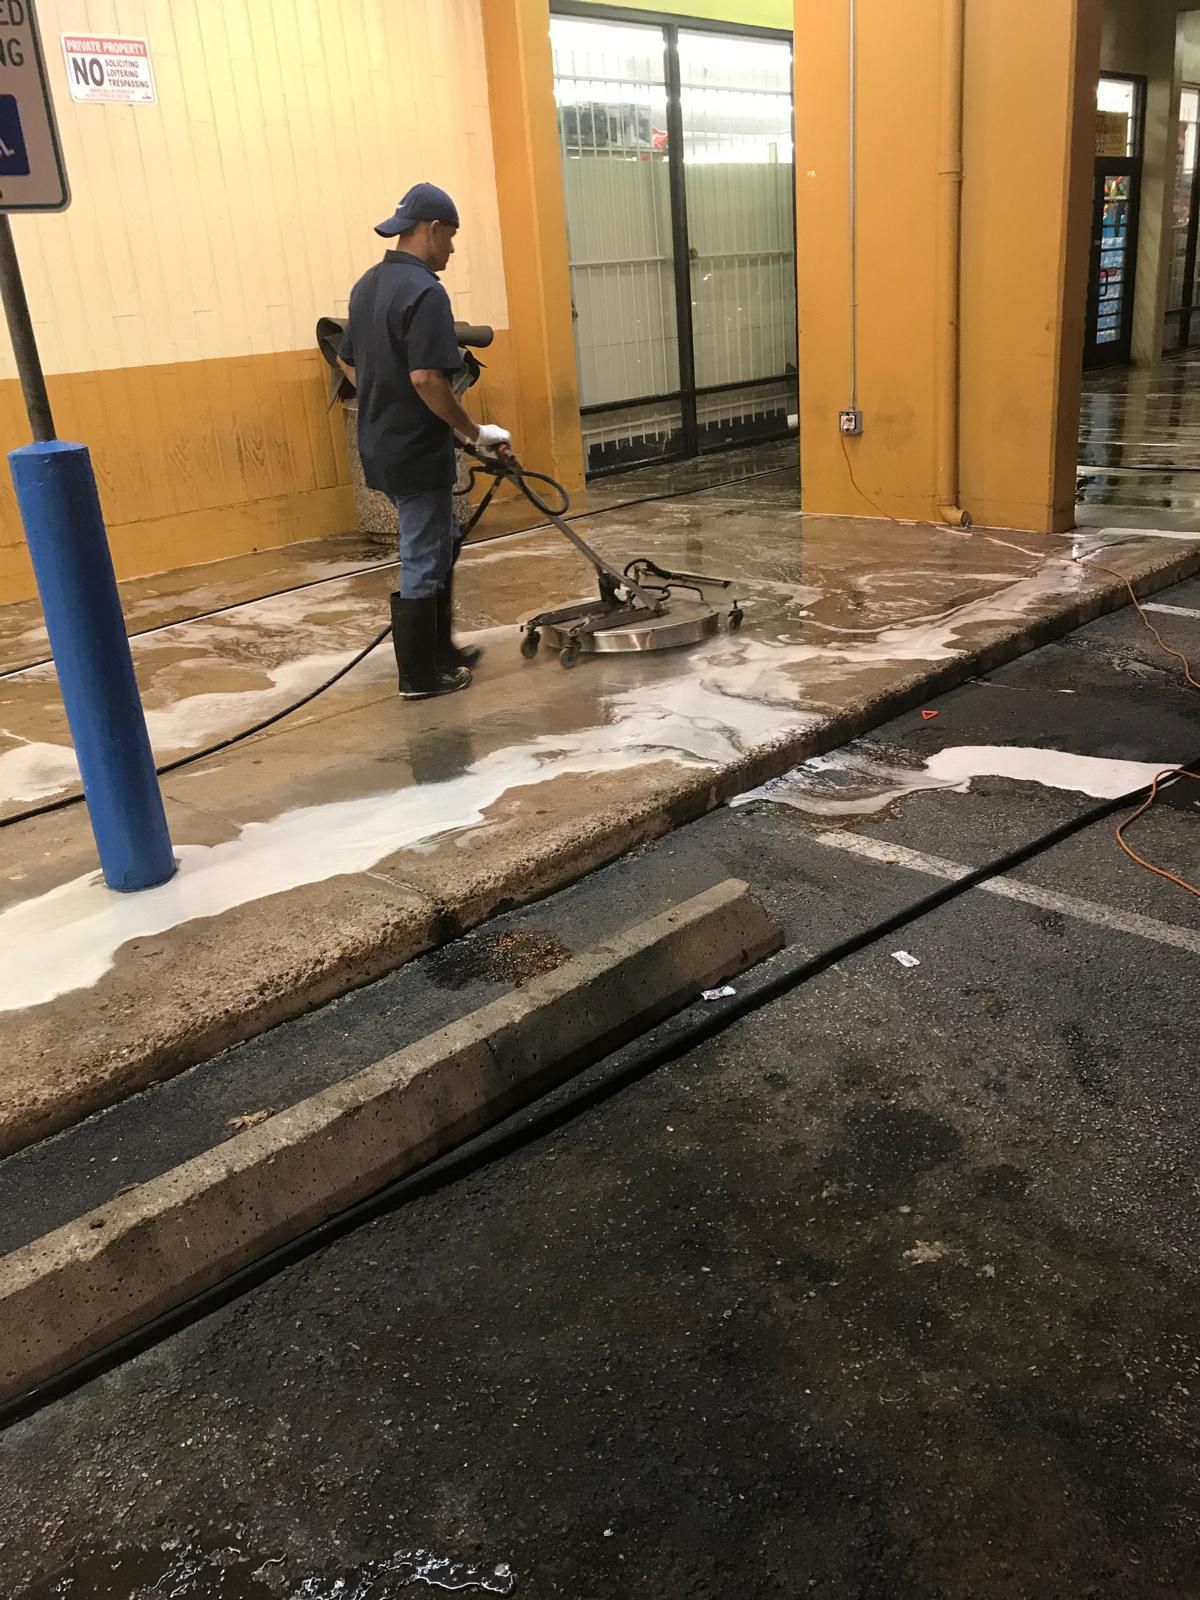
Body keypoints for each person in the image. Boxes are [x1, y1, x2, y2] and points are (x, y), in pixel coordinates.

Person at [339, 183, 511, 699]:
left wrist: (382, 395)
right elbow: (427, 379)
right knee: (423, 552)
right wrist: (475, 432)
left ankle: (442, 651)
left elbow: (347, 360)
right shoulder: (425, 291)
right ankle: (419, 676)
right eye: (451, 237)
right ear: (431, 230)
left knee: (442, 539)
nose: (452, 250)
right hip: (415, 448)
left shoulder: (367, 285)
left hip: (380, 442)